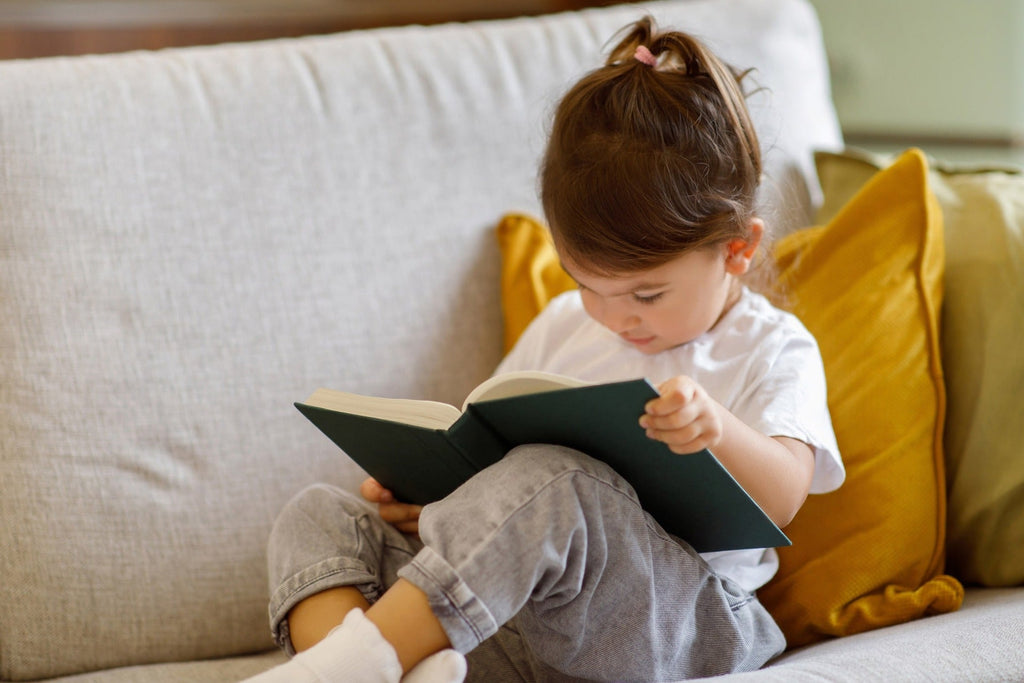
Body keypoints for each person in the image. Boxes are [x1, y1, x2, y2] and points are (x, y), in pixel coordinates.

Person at [246, 16, 844, 683]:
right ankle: (365, 668)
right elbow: (487, 452)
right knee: (320, 514)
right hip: (523, 620)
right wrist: (438, 500)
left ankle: (347, 669)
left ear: (739, 249)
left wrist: (717, 431)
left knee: (556, 482)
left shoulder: (771, 347)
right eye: (586, 284)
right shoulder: (566, 325)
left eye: (646, 295)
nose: (616, 316)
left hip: (686, 621)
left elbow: (785, 497)